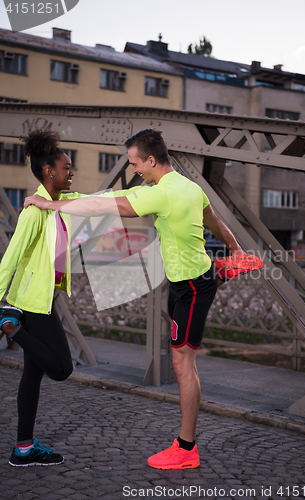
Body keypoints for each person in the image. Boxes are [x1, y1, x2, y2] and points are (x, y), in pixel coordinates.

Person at [24, 129, 242, 470]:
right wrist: (236, 250)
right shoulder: (190, 187)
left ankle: (186, 449)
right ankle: (185, 444)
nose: (134, 168)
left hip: (192, 287)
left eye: (135, 163)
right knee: (184, 361)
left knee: (184, 365)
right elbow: (214, 220)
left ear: (151, 160)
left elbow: (101, 205)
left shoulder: (162, 194)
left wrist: (50, 203)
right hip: (188, 284)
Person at [0, 129, 87, 467]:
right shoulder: (33, 212)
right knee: (62, 368)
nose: (71, 172)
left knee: (32, 375)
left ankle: (23, 449)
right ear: (49, 171)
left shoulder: (57, 204)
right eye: (67, 168)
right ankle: (10, 329)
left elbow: (95, 203)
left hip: (41, 297)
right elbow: (11, 257)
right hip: (31, 303)